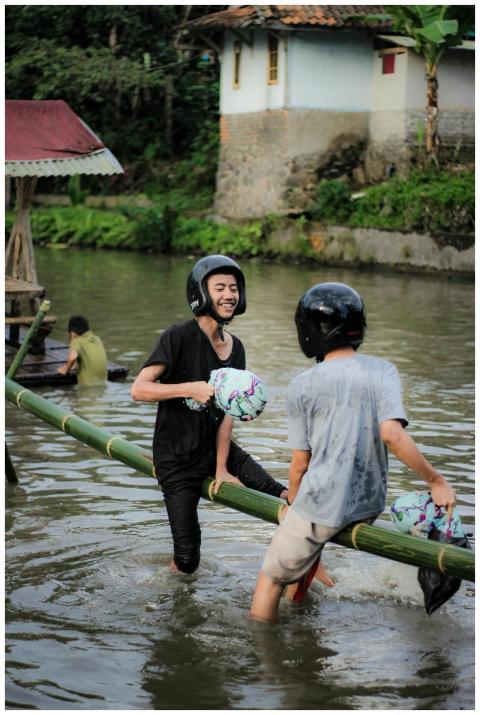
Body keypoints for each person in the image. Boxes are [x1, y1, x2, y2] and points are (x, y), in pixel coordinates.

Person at [250, 282, 456, 624]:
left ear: (310, 332)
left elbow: (300, 466)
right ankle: (306, 574)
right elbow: (393, 433)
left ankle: (265, 660)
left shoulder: (302, 385)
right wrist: (435, 481)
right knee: (306, 545)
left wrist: (292, 509)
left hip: (322, 508)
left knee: (269, 578)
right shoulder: (383, 370)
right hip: (368, 505)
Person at [130, 255, 287, 575]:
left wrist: (221, 469)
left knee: (279, 492)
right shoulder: (178, 336)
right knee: (188, 557)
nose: (229, 295)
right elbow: (139, 390)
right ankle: (169, 592)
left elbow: (228, 417)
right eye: (220, 288)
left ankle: (297, 562)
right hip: (176, 455)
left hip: (216, 448)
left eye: (234, 288)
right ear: (201, 293)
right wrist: (189, 388)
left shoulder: (236, 347)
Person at [57, 315, 108, 386]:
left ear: (72, 333)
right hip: (104, 384)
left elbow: (72, 357)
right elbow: (91, 356)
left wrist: (66, 369)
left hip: (87, 388)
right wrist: (74, 366)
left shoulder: (77, 341)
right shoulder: (97, 339)